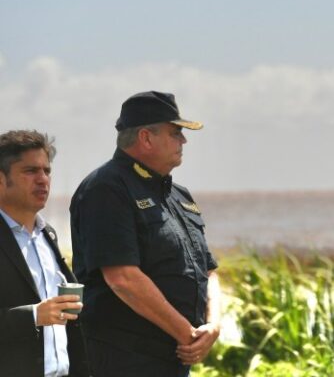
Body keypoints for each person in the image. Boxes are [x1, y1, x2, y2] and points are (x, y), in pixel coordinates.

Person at [70, 91, 220, 377]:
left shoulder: (178, 195)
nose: (183, 141)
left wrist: (213, 326)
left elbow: (209, 270)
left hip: (174, 358)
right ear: (146, 138)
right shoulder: (106, 188)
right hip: (126, 360)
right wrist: (187, 334)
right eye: (175, 133)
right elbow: (122, 278)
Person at [0, 129, 89, 377]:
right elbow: (39, 315)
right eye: (30, 171)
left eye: (47, 171)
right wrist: (33, 316)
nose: (43, 179)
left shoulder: (47, 234)